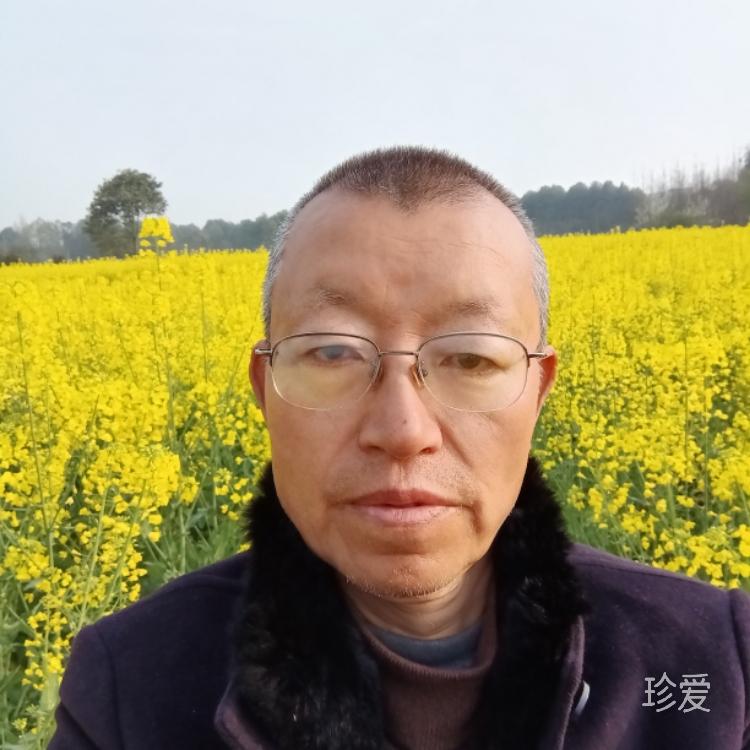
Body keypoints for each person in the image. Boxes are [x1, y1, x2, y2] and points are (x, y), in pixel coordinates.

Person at [50, 147, 750, 750]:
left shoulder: (717, 665)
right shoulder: (128, 689)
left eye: (471, 358)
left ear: (538, 392)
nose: (404, 429)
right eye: (332, 352)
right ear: (265, 390)